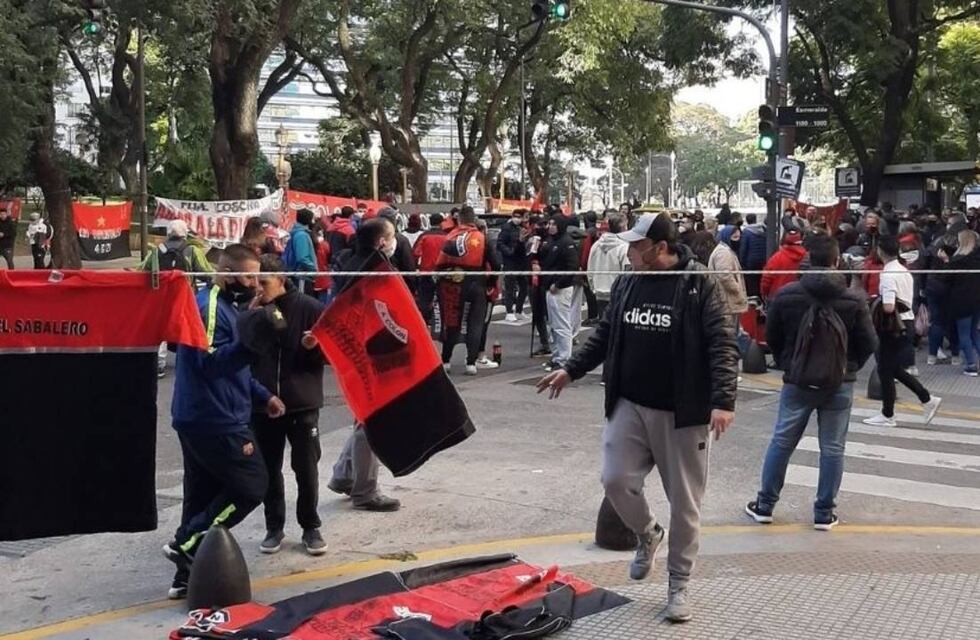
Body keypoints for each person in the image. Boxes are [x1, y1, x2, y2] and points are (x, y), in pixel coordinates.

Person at [537, 212, 738, 624]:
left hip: (682, 411)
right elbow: (606, 333)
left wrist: (723, 400)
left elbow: (721, 341)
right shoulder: (630, 281)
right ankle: (648, 534)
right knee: (615, 480)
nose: (627, 252)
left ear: (659, 249)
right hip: (629, 402)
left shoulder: (698, 283)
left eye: (635, 245)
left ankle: (679, 582)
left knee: (685, 504)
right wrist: (571, 369)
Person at [163, 244, 286, 600]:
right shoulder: (211, 306)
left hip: (206, 415)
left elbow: (235, 372)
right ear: (229, 274)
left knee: (201, 497)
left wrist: (264, 395)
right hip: (214, 420)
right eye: (249, 276)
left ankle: (188, 576)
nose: (255, 283)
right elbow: (211, 364)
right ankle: (185, 544)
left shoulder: (231, 307)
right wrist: (252, 343)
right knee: (251, 485)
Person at [745, 234, 878, 530]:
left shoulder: (788, 295)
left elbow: (774, 337)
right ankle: (823, 512)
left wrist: (788, 363)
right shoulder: (853, 299)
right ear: (836, 260)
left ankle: (765, 505)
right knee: (832, 448)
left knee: (782, 441)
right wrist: (849, 365)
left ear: (810, 260)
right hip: (839, 382)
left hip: (797, 381)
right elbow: (869, 341)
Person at [249, 254, 328, 556]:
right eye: (254, 281)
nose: (258, 288)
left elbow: (330, 356)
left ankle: (310, 525)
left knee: (305, 467)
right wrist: (251, 318)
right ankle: (274, 527)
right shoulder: (254, 311)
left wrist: (314, 348)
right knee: (269, 468)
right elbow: (244, 355)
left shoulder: (310, 309)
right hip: (264, 404)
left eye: (264, 282)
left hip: (302, 403)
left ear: (281, 279)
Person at [328, 218, 402, 512]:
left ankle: (345, 475)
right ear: (382, 242)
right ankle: (365, 490)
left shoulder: (348, 260)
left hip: (355, 348)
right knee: (372, 421)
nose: (395, 241)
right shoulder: (376, 270)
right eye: (392, 236)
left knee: (363, 418)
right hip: (371, 350)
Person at [863, 236, 942, 427]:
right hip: (906, 323)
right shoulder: (904, 271)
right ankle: (925, 399)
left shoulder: (888, 274)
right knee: (892, 368)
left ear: (880, 251)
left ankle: (889, 414)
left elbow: (889, 306)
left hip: (892, 326)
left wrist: (875, 302)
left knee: (885, 369)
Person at [141, 220, 215, 378]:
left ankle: (159, 365)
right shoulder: (192, 250)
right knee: (187, 327)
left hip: (160, 296)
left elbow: (142, 270)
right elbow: (207, 272)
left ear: (168, 233)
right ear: (185, 233)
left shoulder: (157, 250)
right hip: (185, 296)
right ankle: (188, 361)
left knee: (159, 328)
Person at [435, 206, 500, 375]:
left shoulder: (450, 236)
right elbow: (496, 264)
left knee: (451, 321)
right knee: (475, 323)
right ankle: (471, 363)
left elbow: (439, 264)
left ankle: (446, 359)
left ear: (459, 220)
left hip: (452, 283)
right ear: (474, 219)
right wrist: (490, 283)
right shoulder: (482, 237)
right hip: (476, 281)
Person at [539, 215, 581, 372]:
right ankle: (557, 356)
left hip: (560, 288)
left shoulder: (566, 243)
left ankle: (564, 359)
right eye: (549, 223)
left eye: (553, 224)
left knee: (562, 324)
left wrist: (558, 283)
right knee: (554, 325)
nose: (550, 226)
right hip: (550, 286)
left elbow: (572, 266)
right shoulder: (550, 241)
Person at [946, 230, 980, 376]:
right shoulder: (977, 260)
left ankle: (971, 365)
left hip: (961, 301)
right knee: (974, 333)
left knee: (964, 334)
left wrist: (946, 262)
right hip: (977, 300)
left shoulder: (956, 261)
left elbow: (947, 280)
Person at [587, 213, 629, 320]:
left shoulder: (596, 245)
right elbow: (627, 272)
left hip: (599, 292)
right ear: (623, 227)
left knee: (603, 326)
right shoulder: (624, 247)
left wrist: (593, 287)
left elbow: (590, 269)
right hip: (618, 294)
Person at [413, 213, 447, 326]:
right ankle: (442, 322)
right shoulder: (447, 236)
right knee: (443, 298)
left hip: (426, 272)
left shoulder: (424, 236)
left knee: (425, 299)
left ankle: (425, 322)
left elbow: (416, 253)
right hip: (443, 272)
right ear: (442, 223)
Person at [496, 208, 530, 322]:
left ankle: (519, 309)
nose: (517, 219)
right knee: (510, 287)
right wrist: (509, 251)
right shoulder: (506, 228)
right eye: (516, 216)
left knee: (524, 286)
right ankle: (509, 311)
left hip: (521, 261)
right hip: (510, 261)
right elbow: (500, 243)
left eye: (520, 216)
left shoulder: (523, 228)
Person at [527, 214, 552, 357]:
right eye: (538, 225)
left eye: (543, 224)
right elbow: (526, 256)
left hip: (546, 281)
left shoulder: (550, 241)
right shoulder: (532, 239)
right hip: (532, 279)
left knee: (550, 314)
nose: (540, 227)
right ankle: (544, 343)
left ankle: (556, 342)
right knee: (537, 314)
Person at [760, 228, 807, 303]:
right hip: (801, 299)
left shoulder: (776, 258)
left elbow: (767, 278)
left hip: (778, 297)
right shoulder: (807, 257)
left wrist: (764, 293)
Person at [282, 208, 318, 296]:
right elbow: (302, 258)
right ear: (308, 220)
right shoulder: (302, 235)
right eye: (312, 219)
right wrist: (313, 269)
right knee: (302, 301)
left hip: (300, 276)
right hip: (302, 276)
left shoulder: (298, 233)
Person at [738, 213, 767, 298]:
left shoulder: (746, 232)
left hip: (750, 262)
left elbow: (743, 248)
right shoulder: (763, 230)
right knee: (760, 280)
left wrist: (741, 261)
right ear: (755, 219)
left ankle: (754, 299)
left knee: (751, 283)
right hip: (763, 260)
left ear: (747, 221)